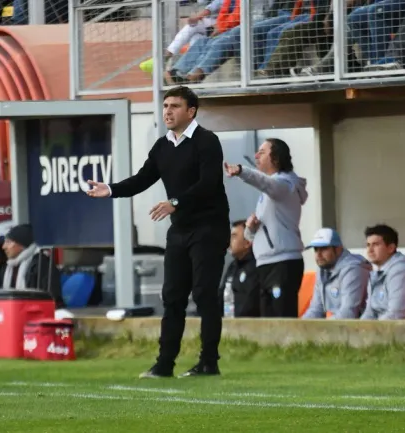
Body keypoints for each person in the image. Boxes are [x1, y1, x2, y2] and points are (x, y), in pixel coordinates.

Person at [87, 86, 230, 379]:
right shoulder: (162, 146)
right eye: (166, 106)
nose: (168, 111)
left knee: (204, 294)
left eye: (175, 106)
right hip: (179, 230)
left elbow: (208, 183)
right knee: (172, 297)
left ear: (191, 111)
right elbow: (142, 179)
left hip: (209, 227)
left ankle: (209, 362)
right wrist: (111, 189)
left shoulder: (207, 141)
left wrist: (175, 202)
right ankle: (165, 364)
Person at [224, 138, 308, 317]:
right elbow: (260, 234)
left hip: (282, 262)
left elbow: (266, 183)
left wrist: (241, 171)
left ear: (276, 158)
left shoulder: (285, 184)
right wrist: (250, 230)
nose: (256, 155)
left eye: (262, 152)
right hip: (266, 263)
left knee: (282, 317)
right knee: (268, 319)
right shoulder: (269, 192)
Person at [360, 224, 405, 320]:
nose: (370, 250)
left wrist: (371, 332)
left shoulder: (403, 272)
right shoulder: (377, 273)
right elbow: (370, 312)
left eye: (376, 245)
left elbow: (395, 315)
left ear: (391, 248)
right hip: (389, 330)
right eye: (368, 245)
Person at [302, 228, 371, 319]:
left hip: (363, 327)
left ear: (338, 249)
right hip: (339, 325)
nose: (318, 254)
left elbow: (348, 313)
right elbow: (316, 309)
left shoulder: (353, 269)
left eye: (324, 249)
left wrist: (323, 329)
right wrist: (299, 327)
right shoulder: (323, 269)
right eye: (316, 249)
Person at [219, 219, 260, 317]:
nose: (229, 241)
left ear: (247, 243)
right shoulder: (232, 266)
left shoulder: (255, 267)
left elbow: (250, 304)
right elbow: (221, 295)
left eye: (234, 237)